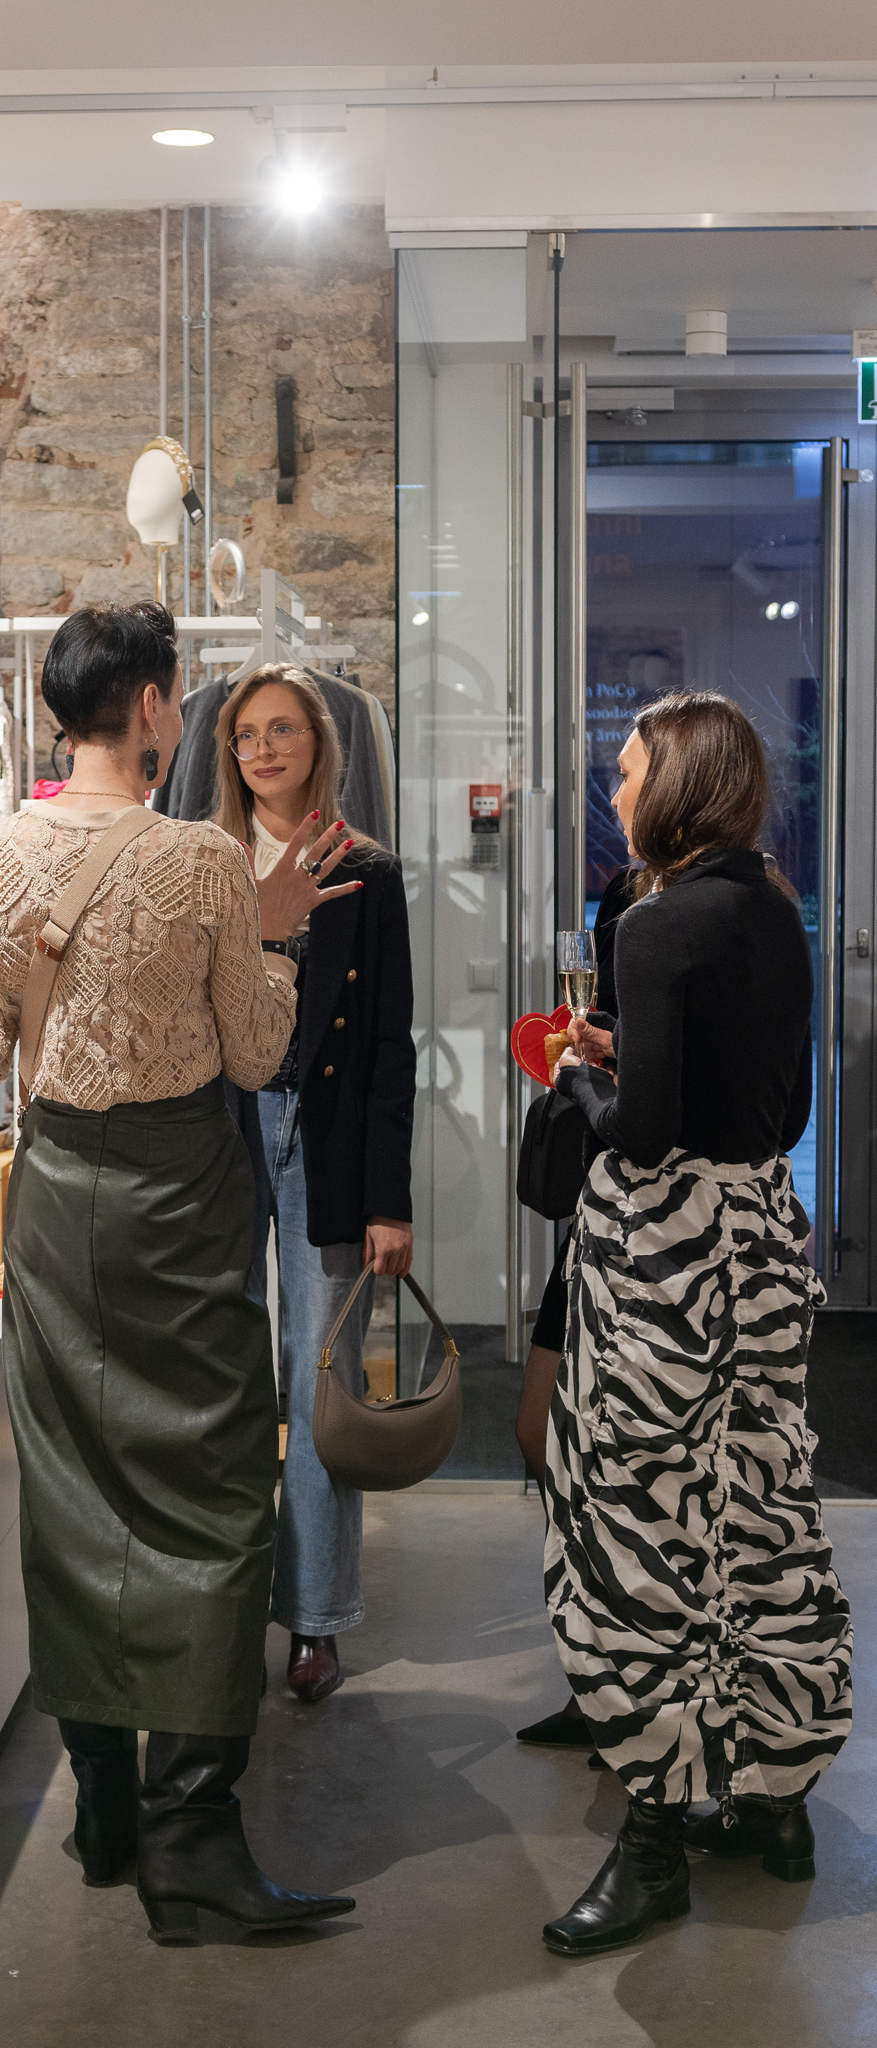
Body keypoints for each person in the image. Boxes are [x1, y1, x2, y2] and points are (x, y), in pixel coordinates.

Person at [0, 602, 363, 1947]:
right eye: (176, 696)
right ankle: (192, 1836)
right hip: (179, 1197)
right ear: (149, 707)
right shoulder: (201, 862)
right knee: (214, 1485)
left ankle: (104, 1810)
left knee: (75, 1488)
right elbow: (254, 1054)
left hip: (55, 1201)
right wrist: (274, 934)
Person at [540, 691, 852, 1959]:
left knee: (640, 1522)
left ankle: (653, 1836)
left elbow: (643, 1130)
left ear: (672, 784)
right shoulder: (774, 907)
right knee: (756, 1509)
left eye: (624, 772)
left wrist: (581, 1073)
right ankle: (776, 1802)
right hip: (760, 1243)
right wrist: (643, 1060)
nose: (613, 791)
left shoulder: (653, 921)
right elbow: (780, 1116)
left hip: (662, 1259)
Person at [212, 664, 414, 1704]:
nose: (262, 749)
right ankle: (218, 1605)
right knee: (224, 1373)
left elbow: (388, 1045)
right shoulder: (204, 862)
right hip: (221, 1131)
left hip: (325, 1134)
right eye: (246, 734)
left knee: (319, 1380)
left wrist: (389, 1200)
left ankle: (315, 1618)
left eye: (281, 729)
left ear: (318, 742)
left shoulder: (365, 869)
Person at [513, 865, 633, 1751]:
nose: (618, 802)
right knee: (538, 1430)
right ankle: (597, 1664)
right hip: (597, 1205)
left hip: (654, 1227)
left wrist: (602, 1061)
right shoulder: (628, 895)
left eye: (629, 793)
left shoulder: (713, 913)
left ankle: (628, 1681)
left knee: (627, 1461)